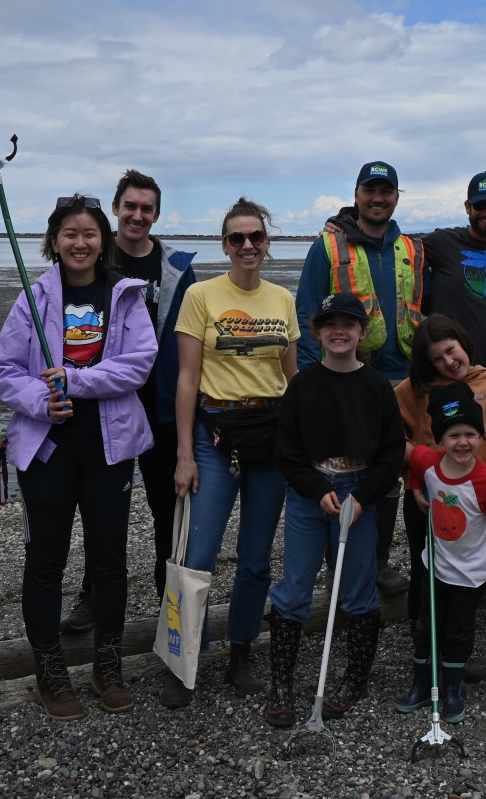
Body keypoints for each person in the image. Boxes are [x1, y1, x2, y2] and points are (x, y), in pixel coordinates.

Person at [0, 194, 157, 721]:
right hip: (48, 447)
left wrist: (76, 382)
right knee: (46, 561)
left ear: (102, 241)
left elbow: (139, 364)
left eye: (89, 234)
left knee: (108, 561)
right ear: (54, 242)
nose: (79, 243)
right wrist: (43, 400)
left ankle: (107, 665)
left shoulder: (125, 296)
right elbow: (5, 369)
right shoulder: (33, 298)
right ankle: (50, 670)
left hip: (110, 447)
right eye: (69, 234)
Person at [164, 197, 300, 709]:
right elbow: (187, 377)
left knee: (256, 559)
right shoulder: (201, 295)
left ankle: (241, 647)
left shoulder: (282, 300)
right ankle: (183, 657)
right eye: (237, 238)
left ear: (267, 243)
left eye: (255, 237)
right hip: (215, 436)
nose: (247, 245)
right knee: (197, 556)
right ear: (225, 245)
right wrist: (184, 453)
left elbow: (291, 377)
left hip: (271, 436)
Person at [61, 169, 197, 634]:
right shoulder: (93, 257)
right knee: (100, 510)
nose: (137, 215)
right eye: (130, 206)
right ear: (116, 209)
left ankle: (170, 605)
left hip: (160, 408)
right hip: (104, 409)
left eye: (147, 208)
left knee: (167, 510)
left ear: (156, 215)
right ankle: (91, 596)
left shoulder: (177, 267)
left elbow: (191, 339)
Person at [265, 293, 405, 727]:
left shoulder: (378, 387)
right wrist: (313, 488)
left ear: (363, 332)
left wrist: (364, 496)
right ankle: (282, 684)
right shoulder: (302, 385)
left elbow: (392, 451)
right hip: (311, 497)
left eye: (349, 323)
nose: (339, 330)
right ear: (317, 332)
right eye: (330, 324)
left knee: (359, 590)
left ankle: (355, 679)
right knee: (293, 589)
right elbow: (286, 451)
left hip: (360, 497)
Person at [296, 161, 425, 596]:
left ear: (396, 197)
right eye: (370, 190)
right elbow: (306, 312)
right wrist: (321, 377)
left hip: (406, 380)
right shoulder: (329, 247)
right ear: (356, 194)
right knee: (348, 473)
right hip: (354, 377)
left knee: (392, 474)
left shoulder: (412, 248)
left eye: (386, 191)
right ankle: (344, 566)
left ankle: (380, 562)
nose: (378, 198)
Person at [393, 381, 486, 724]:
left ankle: (453, 688)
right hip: (436, 565)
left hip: (470, 572)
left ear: (480, 437)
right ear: (440, 439)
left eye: (470, 433)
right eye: (453, 435)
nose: (463, 442)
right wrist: (416, 489)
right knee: (427, 626)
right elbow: (415, 465)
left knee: (458, 630)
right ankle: (423, 686)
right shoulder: (429, 461)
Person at [393, 314, 486, 679]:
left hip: (474, 505)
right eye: (437, 358)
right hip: (425, 501)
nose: (448, 362)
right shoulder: (410, 390)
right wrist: (414, 481)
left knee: (466, 575)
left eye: (451, 351)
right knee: (424, 569)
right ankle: (424, 645)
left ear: (463, 344)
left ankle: (456, 653)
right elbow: (395, 439)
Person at [420, 172, 486, 378]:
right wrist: (346, 219)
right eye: (480, 205)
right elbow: (396, 244)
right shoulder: (441, 241)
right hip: (445, 367)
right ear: (467, 207)